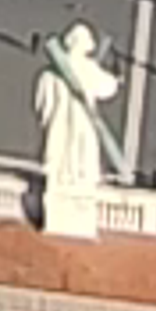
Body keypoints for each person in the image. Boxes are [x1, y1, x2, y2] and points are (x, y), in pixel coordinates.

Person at [35, 18, 118, 241]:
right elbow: (108, 87)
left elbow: (43, 105)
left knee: (63, 155)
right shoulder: (88, 68)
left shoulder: (51, 73)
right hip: (82, 122)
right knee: (82, 157)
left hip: (61, 124)